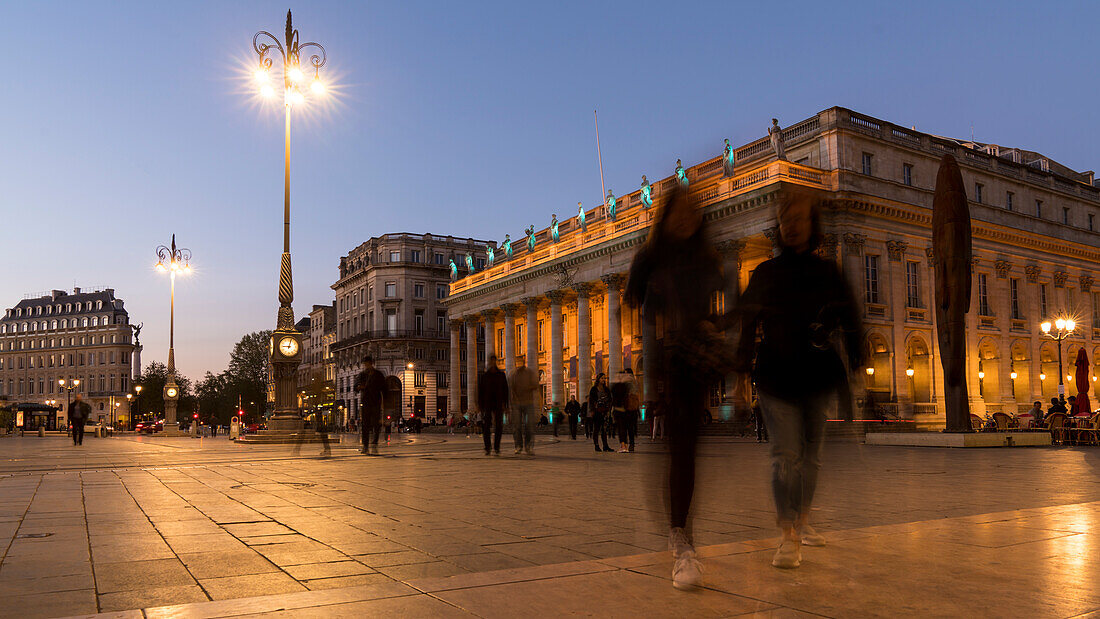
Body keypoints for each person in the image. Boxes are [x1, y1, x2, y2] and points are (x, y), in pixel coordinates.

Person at [735, 185, 863, 570]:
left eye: (797, 218)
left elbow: (851, 320)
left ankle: (804, 519)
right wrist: (741, 374)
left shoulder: (827, 272)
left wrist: (856, 367)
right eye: (784, 219)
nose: (790, 225)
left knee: (811, 459)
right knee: (784, 457)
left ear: (812, 224)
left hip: (816, 376)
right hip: (775, 377)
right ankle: (787, 533)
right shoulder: (765, 272)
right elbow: (747, 322)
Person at [625, 185, 725, 589]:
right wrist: (647, 283)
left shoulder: (707, 257)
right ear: (665, 217)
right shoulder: (653, 257)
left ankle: (679, 528)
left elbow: (723, 301)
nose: (686, 218)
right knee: (681, 448)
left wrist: (713, 328)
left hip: (698, 362)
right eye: (678, 211)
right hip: (669, 362)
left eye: (692, 211)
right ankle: (680, 536)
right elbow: (634, 297)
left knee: (688, 449)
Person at [354, 355, 387, 455]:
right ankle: (365, 445)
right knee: (365, 424)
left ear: (371, 363)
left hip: (376, 401)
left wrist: (385, 403)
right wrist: (359, 387)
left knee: (376, 424)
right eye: (365, 363)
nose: (366, 365)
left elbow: (384, 388)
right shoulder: (362, 374)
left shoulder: (378, 374)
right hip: (366, 401)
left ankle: (374, 442)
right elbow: (355, 386)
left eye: (367, 363)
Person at [477, 355, 508, 456]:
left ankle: (497, 447)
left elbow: (505, 390)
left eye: (494, 361)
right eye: (491, 361)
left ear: (496, 362)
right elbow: (480, 391)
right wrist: (480, 405)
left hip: (498, 403)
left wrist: (506, 404)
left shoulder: (501, 375)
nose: (492, 363)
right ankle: (487, 447)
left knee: (499, 426)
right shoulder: (485, 376)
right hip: (487, 403)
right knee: (486, 426)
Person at [510, 358, 539, 455]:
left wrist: (526, 388)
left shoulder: (529, 373)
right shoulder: (513, 374)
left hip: (528, 402)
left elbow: (535, 385)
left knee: (530, 426)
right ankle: (518, 446)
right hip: (517, 403)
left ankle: (528, 446)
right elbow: (510, 389)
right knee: (517, 426)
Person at [588, 373, 613, 453]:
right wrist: (592, 410)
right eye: (602, 378)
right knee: (596, 429)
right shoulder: (594, 389)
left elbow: (610, 399)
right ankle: (596, 445)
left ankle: (605, 446)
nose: (603, 379)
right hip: (596, 411)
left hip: (605, 411)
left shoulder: (606, 389)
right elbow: (591, 401)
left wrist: (609, 409)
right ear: (598, 379)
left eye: (604, 378)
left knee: (604, 429)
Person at [611, 373, 632, 452]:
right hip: (626, 410)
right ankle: (625, 446)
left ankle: (623, 446)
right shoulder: (626, 386)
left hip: (618, 410)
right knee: (624, 429)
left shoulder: (617, 387)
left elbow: (614, 397)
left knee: (621, 429)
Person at [624, 368, 641, 452]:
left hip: (629, 408)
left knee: (629, 427)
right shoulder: (635, 382)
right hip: (631, 407)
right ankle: (631, 444)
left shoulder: (631, 382)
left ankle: (630, 444)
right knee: (630, 427)